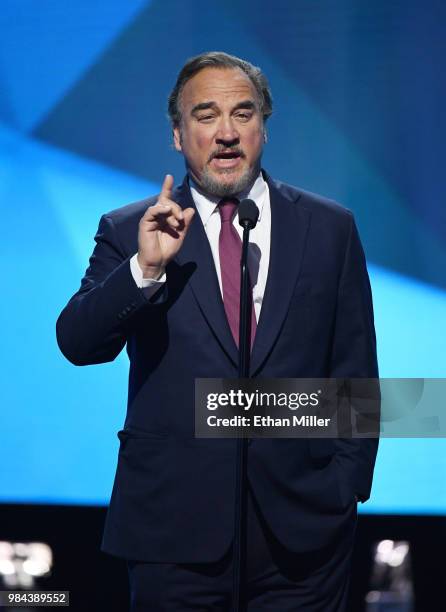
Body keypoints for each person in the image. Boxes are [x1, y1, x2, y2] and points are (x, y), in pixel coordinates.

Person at [57, 51, 379, 611]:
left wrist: (343, 489)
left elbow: (357, 375)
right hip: (173, 535)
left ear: (264, 127)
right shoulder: (131, 229)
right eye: (205, 116)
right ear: (178, 136)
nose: (226, 133)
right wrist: (146, 269)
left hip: (304, 540)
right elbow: (78, 344)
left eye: (243, 114)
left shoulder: (330, 229)